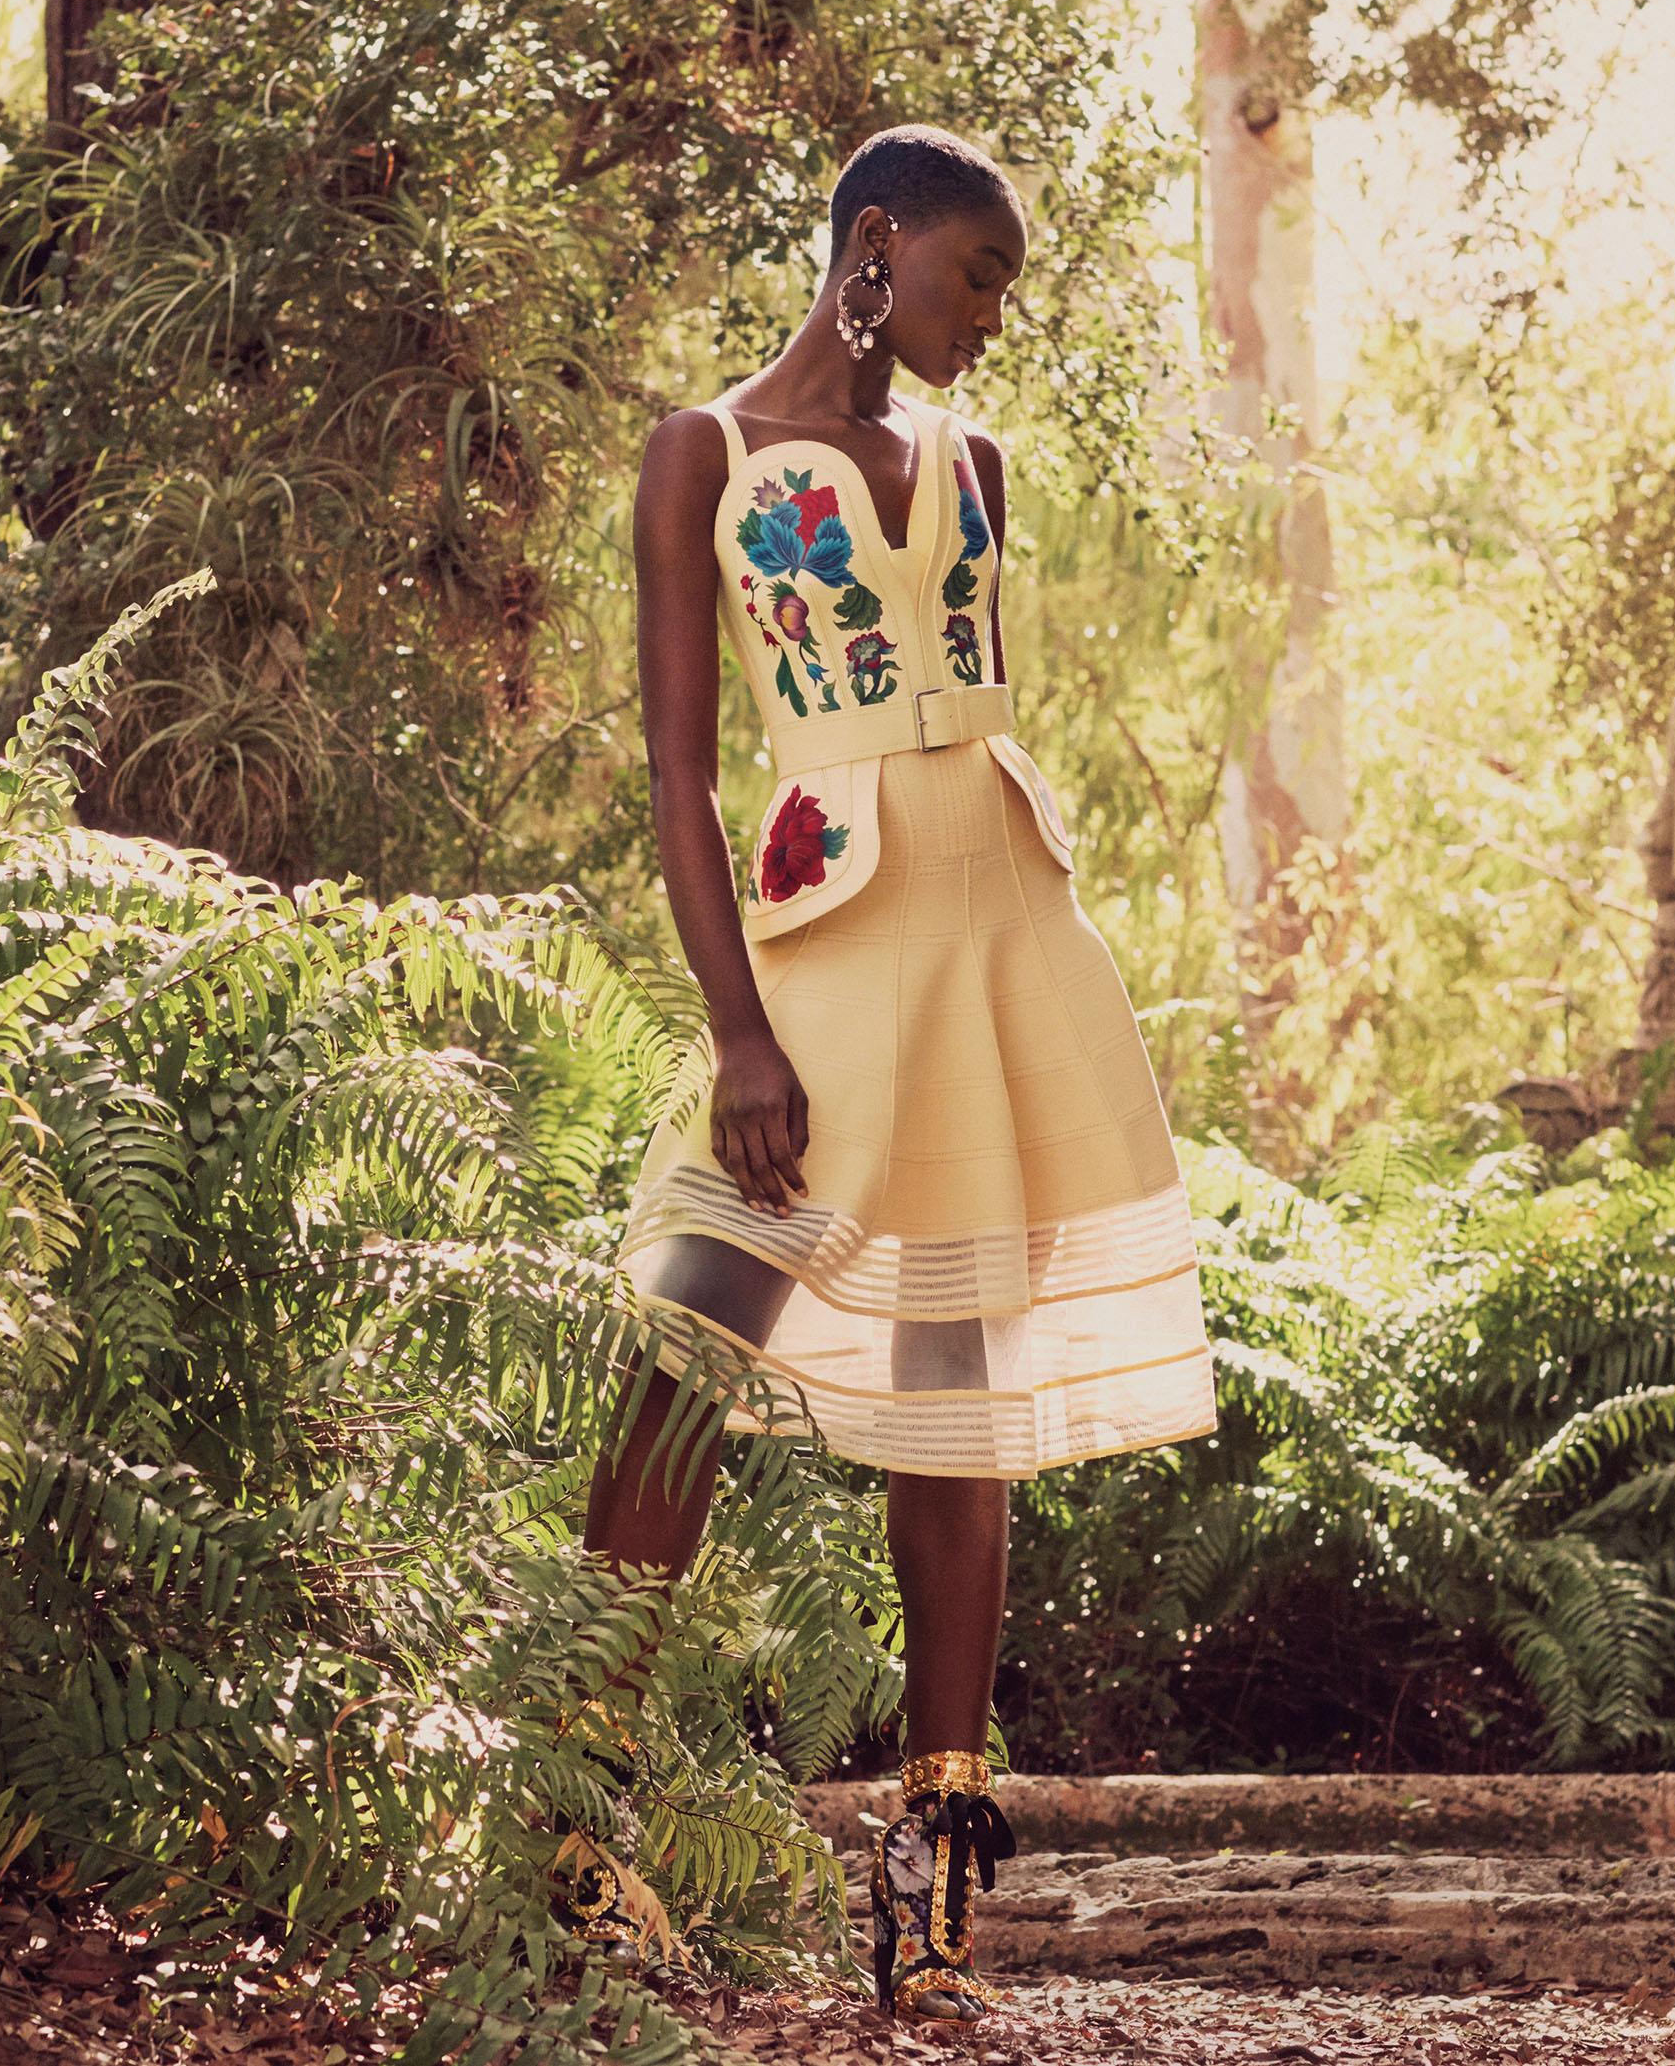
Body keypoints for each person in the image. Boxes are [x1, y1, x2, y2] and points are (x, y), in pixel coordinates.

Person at [557, 123, 1219, 2021]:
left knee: (962, 1390)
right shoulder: (709, 451)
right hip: (824, 942)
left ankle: (933, 1863)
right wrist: (736, 1026)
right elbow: (684, 772)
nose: (988, 318)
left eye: (1004, 287)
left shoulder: (973, 462)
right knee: (687, 1338)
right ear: (876, 245)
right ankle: (573, 1826)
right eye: (974, 276)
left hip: (1000, 929)